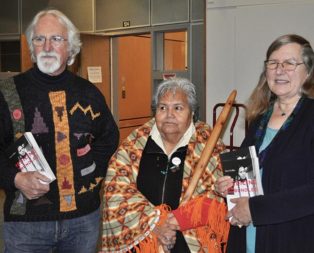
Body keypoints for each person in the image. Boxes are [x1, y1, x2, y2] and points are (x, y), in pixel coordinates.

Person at [0, 9, 119, 253]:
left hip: (82, 222)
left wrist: (89, 173)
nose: (47, 46)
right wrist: (15, 179)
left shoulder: (89, 94)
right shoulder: (7, 93)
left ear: (71, 48)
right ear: (32, 47)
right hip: (26, 227)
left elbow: (109, 138)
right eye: (39, 39)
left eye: (56, 39)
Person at [101, 78, 229, 253]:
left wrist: (182, 218)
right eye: (162, 107)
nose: (169, 114)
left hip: (190, 244)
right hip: (142, 240)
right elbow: (116, 191)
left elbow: (220, 197)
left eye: (178, 108)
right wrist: (155, 224)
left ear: (192, 113)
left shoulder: (210, 146)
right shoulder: (134, 145)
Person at [215, 34, 314, 253]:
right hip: (249, 236)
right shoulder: (259, 118)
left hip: (293, 239)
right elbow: (247, 173)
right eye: (273, 63)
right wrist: (228, 186)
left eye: (289, 63)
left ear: (307, 71)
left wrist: (255, 209)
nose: (280, 70)